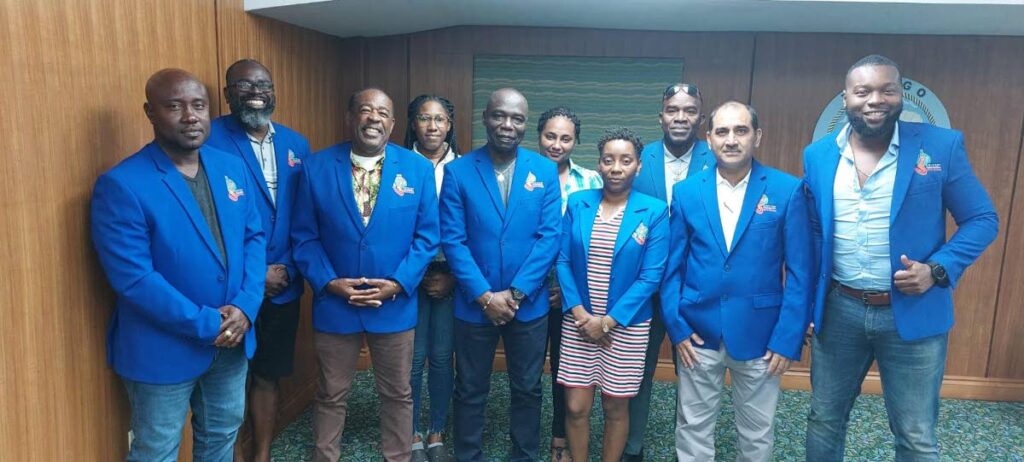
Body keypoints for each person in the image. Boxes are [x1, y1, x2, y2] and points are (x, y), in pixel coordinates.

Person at [802, 55, 998, 461]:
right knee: (823, 419)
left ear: (900, 95)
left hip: (912, 312)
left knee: (914, 433)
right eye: (863, 91)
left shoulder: (940, 146)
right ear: (845, 99)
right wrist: (809, 304)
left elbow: (982, 219)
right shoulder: (818, 156)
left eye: (886, 89)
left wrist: (938, 269)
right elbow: (815, 233)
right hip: (839, 311)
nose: (875, 99)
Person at [91, 68, 266, 461]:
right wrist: (208, 323)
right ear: (150, 112)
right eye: (174, 106)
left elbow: (254, 238)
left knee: (221, 436)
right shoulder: (123, 184)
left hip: (233, 341)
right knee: (156, 450)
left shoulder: (230, 166)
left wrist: (246, 306)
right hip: (162, 348)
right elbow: (134, 278)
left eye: (199, 105)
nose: (190, 116)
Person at [291, 88, 440, 462]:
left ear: (392, 124)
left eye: (382, 112)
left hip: (393, 303)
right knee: (330, 393)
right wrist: (328, 282)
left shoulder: (417, 169)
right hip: (335, 303)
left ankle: (398, 457)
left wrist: (399, 283)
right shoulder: (316, 168)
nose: (373, 117)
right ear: (350, 117)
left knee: (398, 393)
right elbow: (304, 237)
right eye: (365, 110)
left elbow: (427, 237)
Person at [662, 101, 815, 461]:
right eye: (722, 132)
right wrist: (677, 327)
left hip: (763, 335)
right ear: (710, 139)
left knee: (757, 431)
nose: (731, 140)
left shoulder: (786, 190)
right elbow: (672, 269)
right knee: (693, 427)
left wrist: (787, 337)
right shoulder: (687, 192)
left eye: (741, 131)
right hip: (697, 332)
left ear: (757, 137)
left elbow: (800, 272)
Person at [440, 88, 561, 462]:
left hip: (529, 305)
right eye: (499, 116)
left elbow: (549, 237)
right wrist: (485, 296)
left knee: (527, 388)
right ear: (485, 118)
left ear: (525, 124)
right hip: (474, 304)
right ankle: (468, 455)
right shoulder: (458, 171)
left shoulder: (543, 169)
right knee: (471, 388)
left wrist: (518, 293)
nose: (507, 125)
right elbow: (453, 241)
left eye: (517, 118)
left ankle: (523, 455)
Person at [205, 58, 310, 462]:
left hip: (283, 285)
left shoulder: (296, 144)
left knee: (267, 374)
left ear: (274, 91)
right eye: (245, 85)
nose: (256, 92)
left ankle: (262, 455)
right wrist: (254, 275)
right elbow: (207, 221)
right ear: (228, 92)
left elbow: (305, 216)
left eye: (264, 84)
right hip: (230, 290)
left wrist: (290, 269)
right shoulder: (208, 139)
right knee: (228, 382)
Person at [556, 127, 668, 462]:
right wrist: (581, 316)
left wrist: (607, 322)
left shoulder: (654, 210)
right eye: (608, 160)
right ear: (599, 164)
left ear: (638, 166)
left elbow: (651, 276)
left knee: (615, 405)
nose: (616, 167)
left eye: (625, 160)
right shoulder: (579, 203)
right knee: (576, 406)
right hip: (579, 323)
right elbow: (562, 261)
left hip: (626, 326)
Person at [624, 82, 715, 461]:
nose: (681, 117)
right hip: (641, 288)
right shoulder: (636, 158)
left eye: (689, 110)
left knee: (695, 375)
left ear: (700, 117)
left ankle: (691, 451)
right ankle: (631, 448)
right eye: (673, 110)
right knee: (635, 374)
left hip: (694, 291)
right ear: (660, 115)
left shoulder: (718, 159)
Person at [535, 105, 602, 462]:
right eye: (550, 136)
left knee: (566, 372)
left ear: (576, 141)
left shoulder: (591, 181)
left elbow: (598, 244)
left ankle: (560, 437)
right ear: (538, 136)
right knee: (528, 375)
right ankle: (527, 439)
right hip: (527, 295)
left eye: (565, 138)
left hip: (572, 297)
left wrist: (569, 289)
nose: (556, 145)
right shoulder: (521, 177)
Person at [403, 94, 460, 462]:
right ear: (413, 123)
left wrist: (454, 276)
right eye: (425, 118)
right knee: (412, 358)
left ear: (450, 125)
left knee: (441, 357)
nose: (433, 126)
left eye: (440, 119)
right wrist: (408, 274)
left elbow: (473, 229)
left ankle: (437, 430)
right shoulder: (397, 164)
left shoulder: (465, 167)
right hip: (406, 275)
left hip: (450, 274)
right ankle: (409, 432)